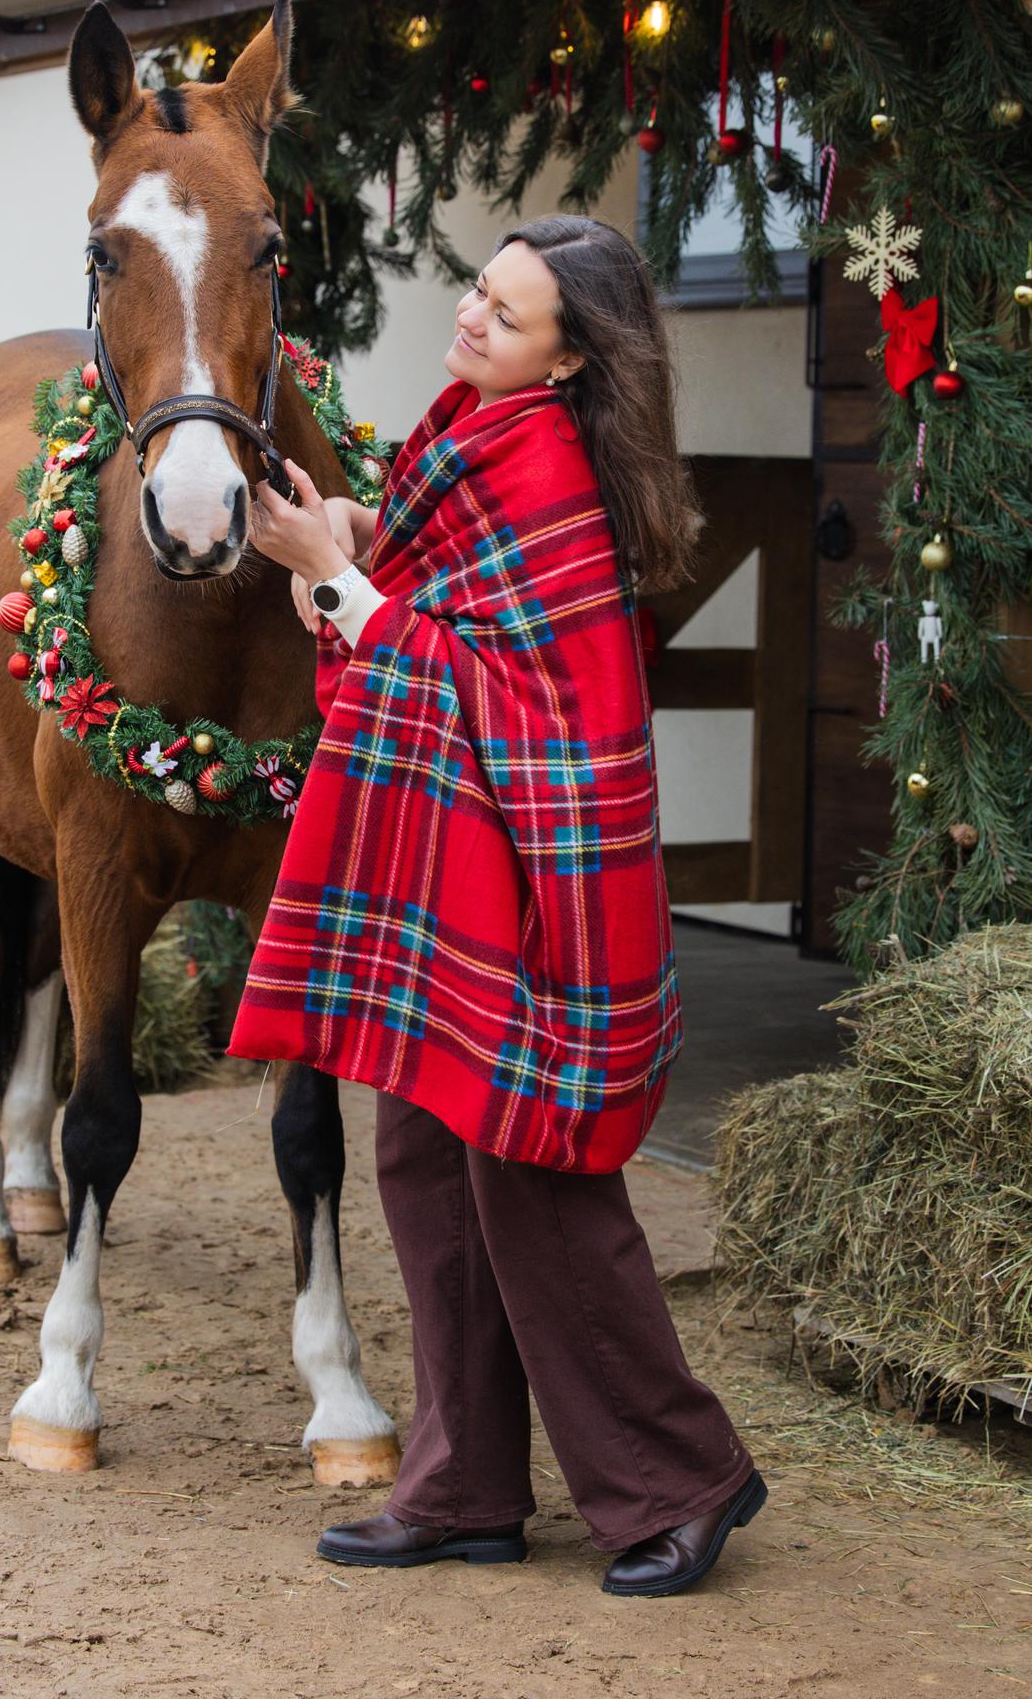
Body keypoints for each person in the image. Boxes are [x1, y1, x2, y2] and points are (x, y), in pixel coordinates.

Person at [235, 215, 766, 1597]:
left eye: (506, 313)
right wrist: (353, 533)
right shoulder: (470, 427)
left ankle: (679, 1481)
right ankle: (464, 1484)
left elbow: (513, 703)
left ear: (571, 358)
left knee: (534, 1185)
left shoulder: (541, 465)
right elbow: (439, 591)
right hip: (452, 876)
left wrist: (331, 578)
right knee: (422, 1163)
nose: (471, 317)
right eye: (479, 289)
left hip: (537, 893)